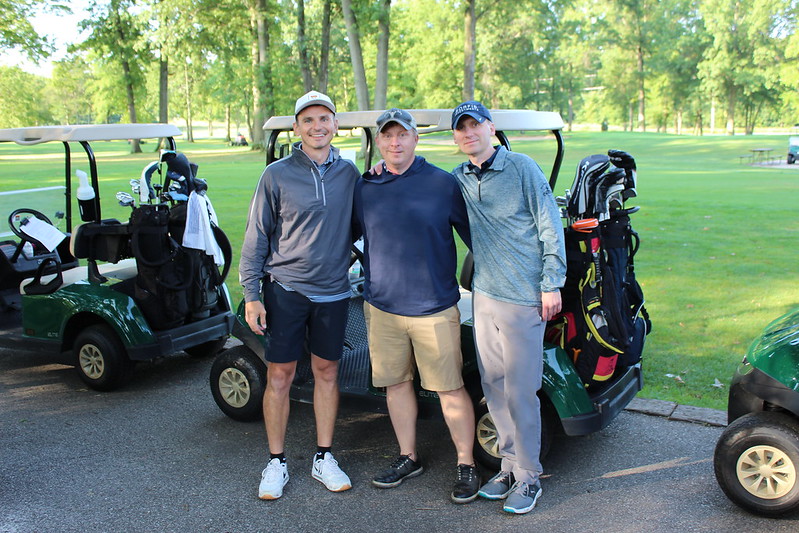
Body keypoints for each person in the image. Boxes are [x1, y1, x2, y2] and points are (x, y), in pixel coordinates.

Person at [352, 108, 480, 504]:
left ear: (414, 138)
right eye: (387, 136)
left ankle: (466, 463)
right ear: (378, 142)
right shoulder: (365, 186)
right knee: (396, 385)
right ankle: (408, 456)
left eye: (401, 135)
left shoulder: (443, 184)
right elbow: (346, 236)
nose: (394, 143)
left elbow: (478, 239)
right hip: (382, 307)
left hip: (434, 309)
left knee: (450, 389)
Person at [239, 90, 359, 500]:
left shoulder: (350, 174)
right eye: (308, 120)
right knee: (280, 375)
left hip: (333, 292)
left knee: (327, 372)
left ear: (335, 125)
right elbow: (256, 236)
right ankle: (276, 461)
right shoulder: (276, 173)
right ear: (297, 128)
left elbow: (358, 225)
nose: (317, 126)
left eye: (324, 118)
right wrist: (251, 293)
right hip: (286, 290)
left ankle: (323, 457)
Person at [450, 101, 567, 514]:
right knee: (494, 387)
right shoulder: (459, 178)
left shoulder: (521, 167)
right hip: (484, 297)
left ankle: (530, 476)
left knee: (521, 391)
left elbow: (549, 224)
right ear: (456, 137)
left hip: (523, 299)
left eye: (475, 125)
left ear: (490, 127)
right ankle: (509, 464)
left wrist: (551, 283)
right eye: (461, 128)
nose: (469, 133)